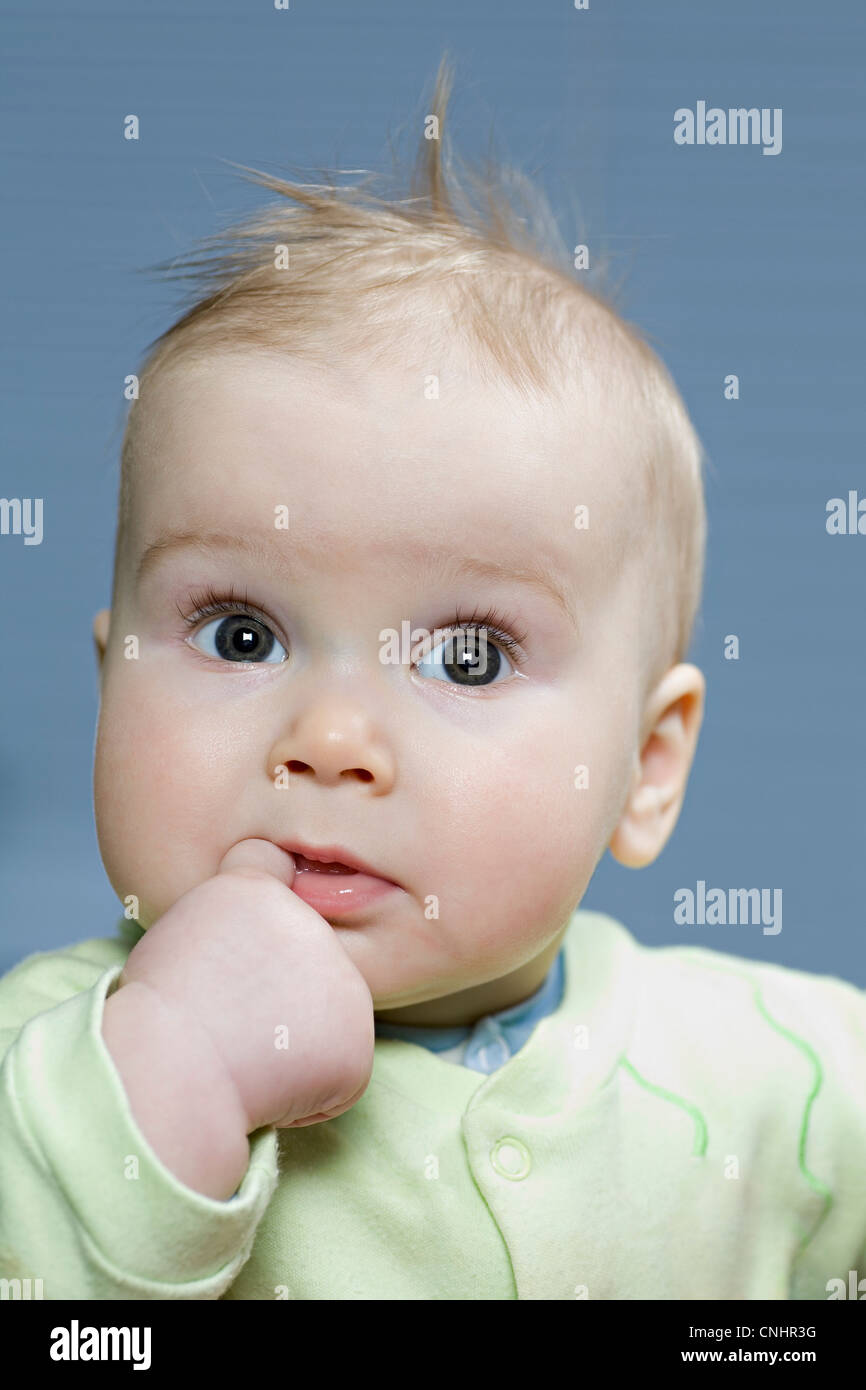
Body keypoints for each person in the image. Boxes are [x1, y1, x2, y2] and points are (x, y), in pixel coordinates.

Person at [1, 59, 864, 1300]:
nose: (332, 737)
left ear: (646, 764)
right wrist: (165, 1072)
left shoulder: (790, 1074)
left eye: (466, 656)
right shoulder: (46, 1063)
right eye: (240, 634)